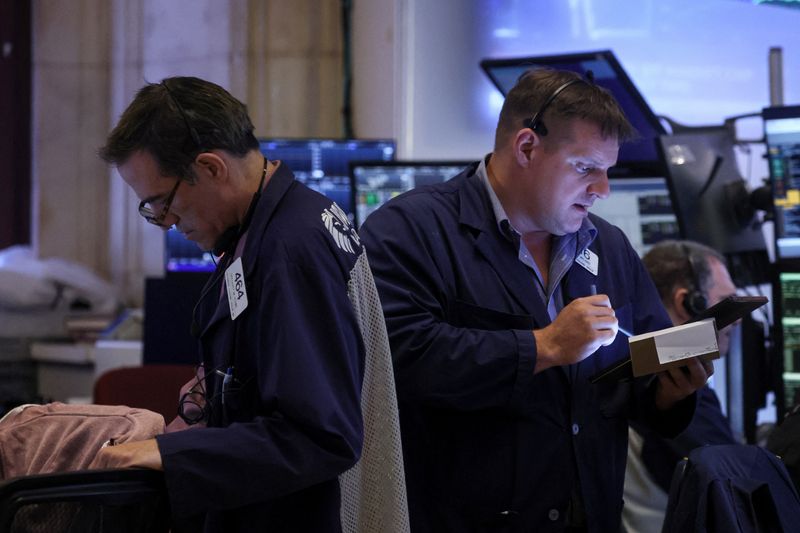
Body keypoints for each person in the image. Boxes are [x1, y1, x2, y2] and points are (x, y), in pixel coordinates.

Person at [359, 68, 712, 532]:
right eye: (586, 168)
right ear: (526, 147)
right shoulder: (409, 230)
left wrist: (668, 394)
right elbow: (397, 362)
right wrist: (543, 347)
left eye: (608, 172)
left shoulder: (609, 248)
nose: (602, 189)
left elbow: (634, 382)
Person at [94, 76, 379, 532]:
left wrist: (169, 453)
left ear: (210, 168)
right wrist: (221, 393)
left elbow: (318, 436)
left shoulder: (289, 248)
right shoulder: (268, 226)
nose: (164, 223)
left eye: (160, 204)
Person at [622, 240, 739, 533]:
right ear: (687, 302)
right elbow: (737, 490)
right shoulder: (676, 388)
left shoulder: (635, 366)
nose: (736, 321)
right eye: (726, 301)